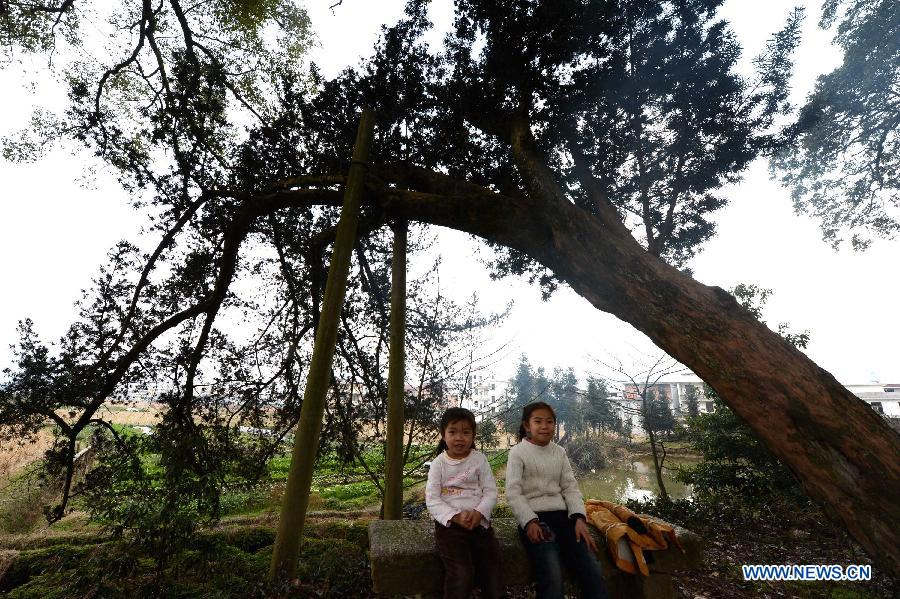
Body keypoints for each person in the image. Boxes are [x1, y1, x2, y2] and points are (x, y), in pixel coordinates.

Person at [505, 401, 609, 599]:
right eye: (538, 421)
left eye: (549, 422)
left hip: (564, 519)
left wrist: (579, 518)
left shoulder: (559, 452)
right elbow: (513, 492)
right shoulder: (517, 452)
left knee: (591, 568)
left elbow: (570, 487)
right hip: (536, 520)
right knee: (551, 574)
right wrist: (529, 522)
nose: (544, 426)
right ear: (527, 426)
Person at [426, 407, 502, 599]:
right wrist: (455, 516)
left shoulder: (479, 459)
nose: (459, 438)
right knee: (461, 573)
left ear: (473, 435)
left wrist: (479, 513)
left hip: (480, 525)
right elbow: (432, 499)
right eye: (453, 432)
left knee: (493, 572)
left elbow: (490, 491)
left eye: (466, 432)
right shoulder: (438, 464)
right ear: (443, 435)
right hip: (450, 528)